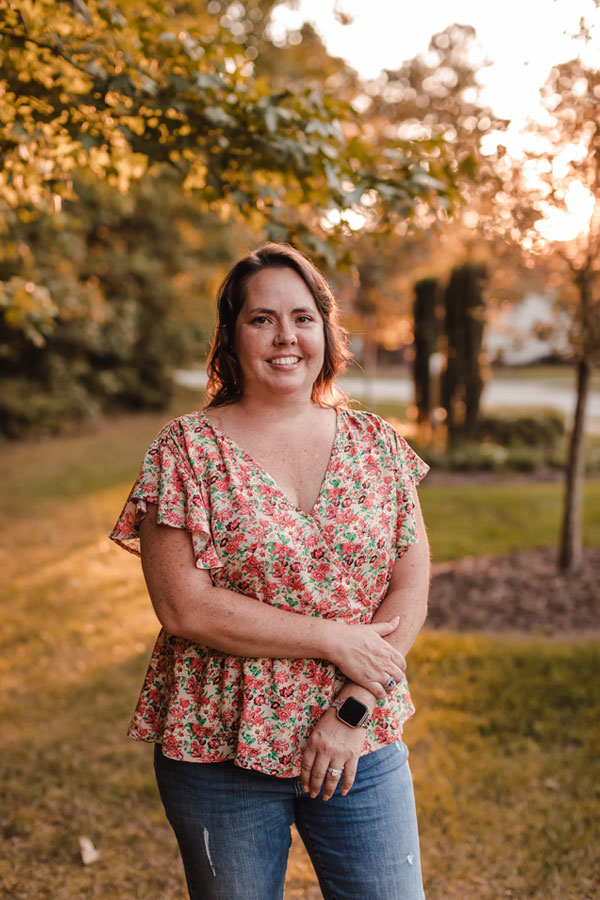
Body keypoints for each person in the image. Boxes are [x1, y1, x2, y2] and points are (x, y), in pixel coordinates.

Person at [110, 242, 430, 900]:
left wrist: (350, 715)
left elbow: (411, 585)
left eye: (302, 317)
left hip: (360, 743)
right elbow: (183, 608)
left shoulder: (378, 444)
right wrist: (332, 636)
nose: (285, 336)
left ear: (325, 330)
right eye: (262, 319)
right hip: (218, 747)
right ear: (231, 336)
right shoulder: (185, 449)